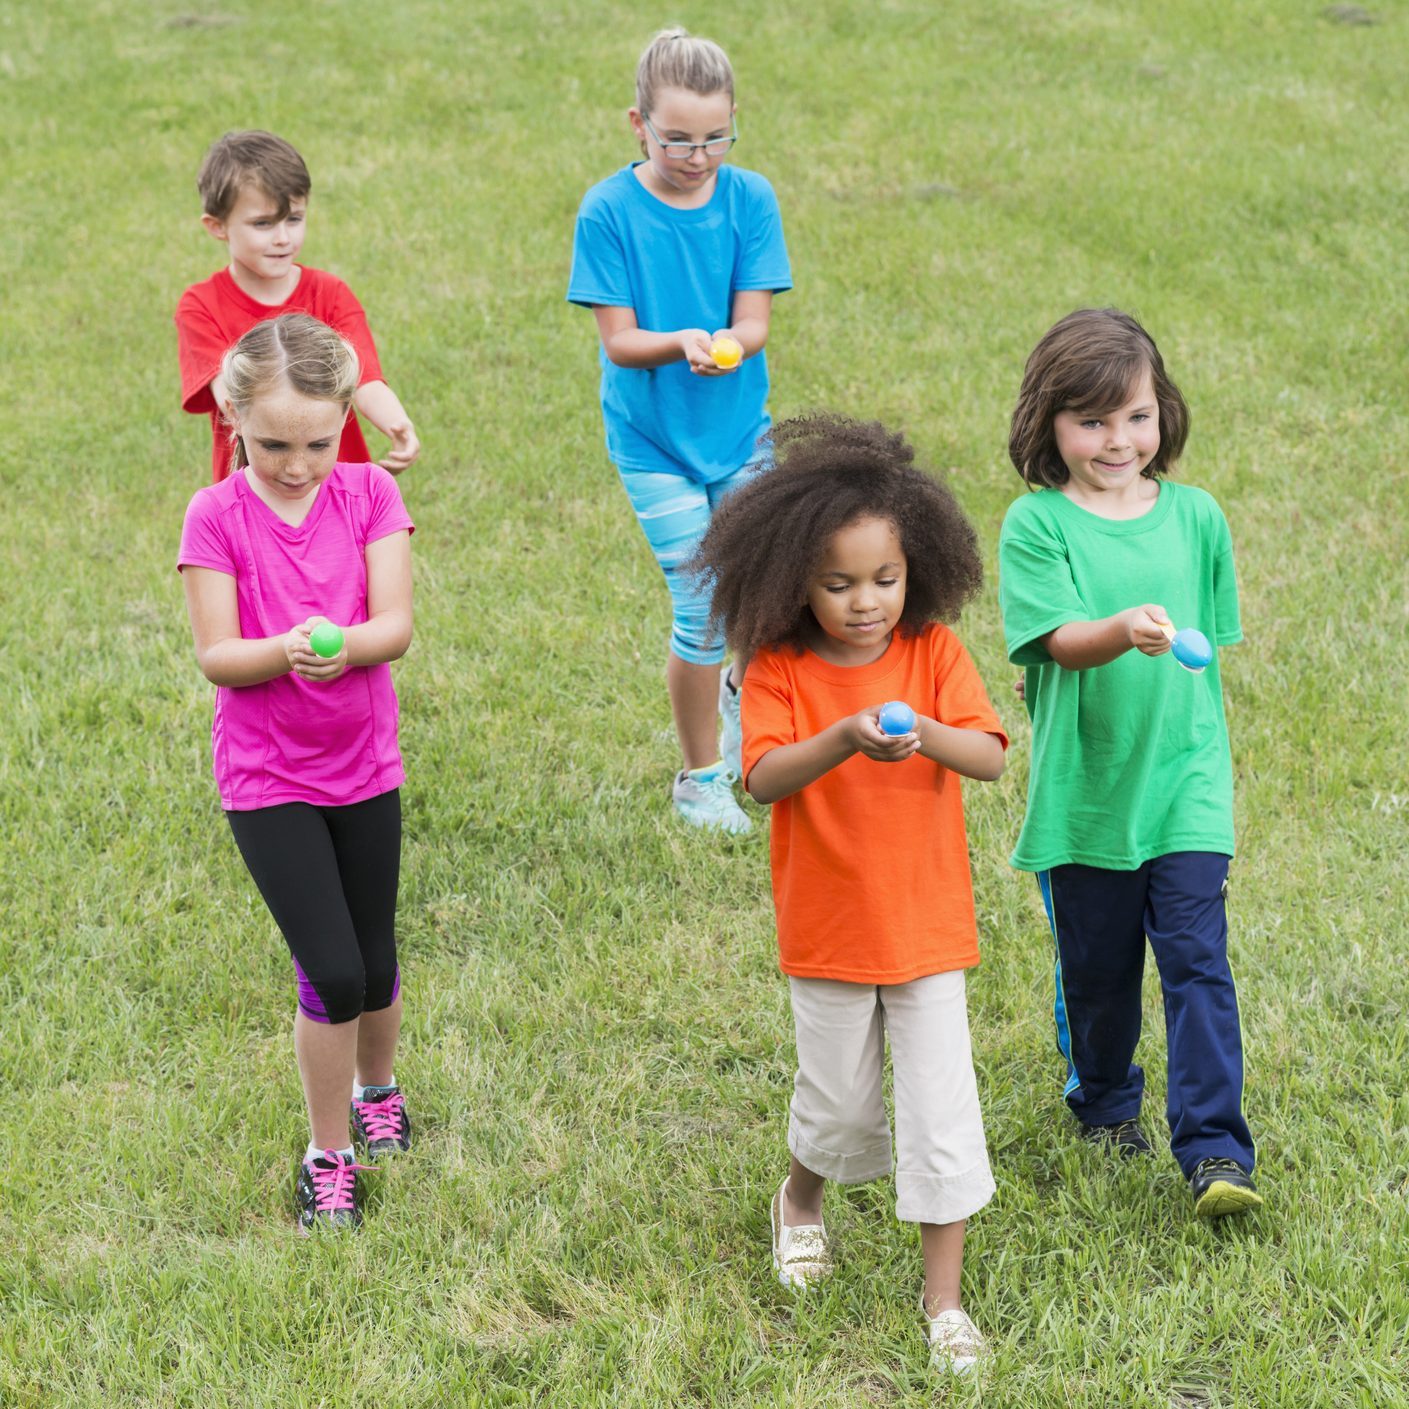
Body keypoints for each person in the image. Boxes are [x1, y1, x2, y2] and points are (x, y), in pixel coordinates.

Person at [692, 414, 1007, 1373]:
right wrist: (844, 737)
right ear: (793, 580)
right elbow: (762, 778)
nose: (865, 602)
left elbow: (989, 755)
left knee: (940, 1109)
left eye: (884, 579)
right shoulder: (778, 667)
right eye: (837, 584)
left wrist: (919, 738)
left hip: (925, 927)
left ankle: (943, 1304)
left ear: (918, 568)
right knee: (838, 1105)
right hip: (828, 927)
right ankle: (800, 1198)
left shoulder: (935, 653)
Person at [998, 307, 1261, 1218]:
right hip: (1087, 798)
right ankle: (1105, 1102)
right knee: (1099, 974)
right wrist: (1121, 629)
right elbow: (1059, 642)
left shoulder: (1197, 518)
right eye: (1092, 420)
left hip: (1185, 785)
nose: (1119, 439)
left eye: (1137, 415)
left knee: (1197, 962)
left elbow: (1208, 654)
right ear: (1050, 425)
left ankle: (1216, 1152)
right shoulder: (1036, 527)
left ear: (1164, 413)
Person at [178, 314, 415, 1233]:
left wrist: (344, 645)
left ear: (344, 419)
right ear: (233, 417)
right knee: (332, 969)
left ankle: (379, 1087)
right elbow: (217, 654)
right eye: (273, 442)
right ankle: (329, 1153)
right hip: (268, 777)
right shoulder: (215, 514)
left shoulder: (366, 496)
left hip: (364, 764)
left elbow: (393, 625)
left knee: (378, 959)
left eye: (317, 441)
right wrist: (286, 650)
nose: (296, 463)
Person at [568, 27, 792, 834]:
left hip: (738, 434)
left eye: (714, 138)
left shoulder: (749, 198)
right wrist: (682, 343)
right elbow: (621, 342)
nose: (697, 155)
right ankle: (700, 778)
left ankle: (745, 706)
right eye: (676, 139)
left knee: (764, 594)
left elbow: (754, 320)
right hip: (653, 439)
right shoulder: (608, 212)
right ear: (637, 123)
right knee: (700, 599)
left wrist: (728, 345)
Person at [176, 130, 420, 484]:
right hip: (256, 489)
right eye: (263, 223)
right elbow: (231, 395)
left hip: (336, 482)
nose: (282, 238)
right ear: (217, 226)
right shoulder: (201, 306)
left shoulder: (330, 294)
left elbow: (364, 378)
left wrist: (397, 423)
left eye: (293, 219)